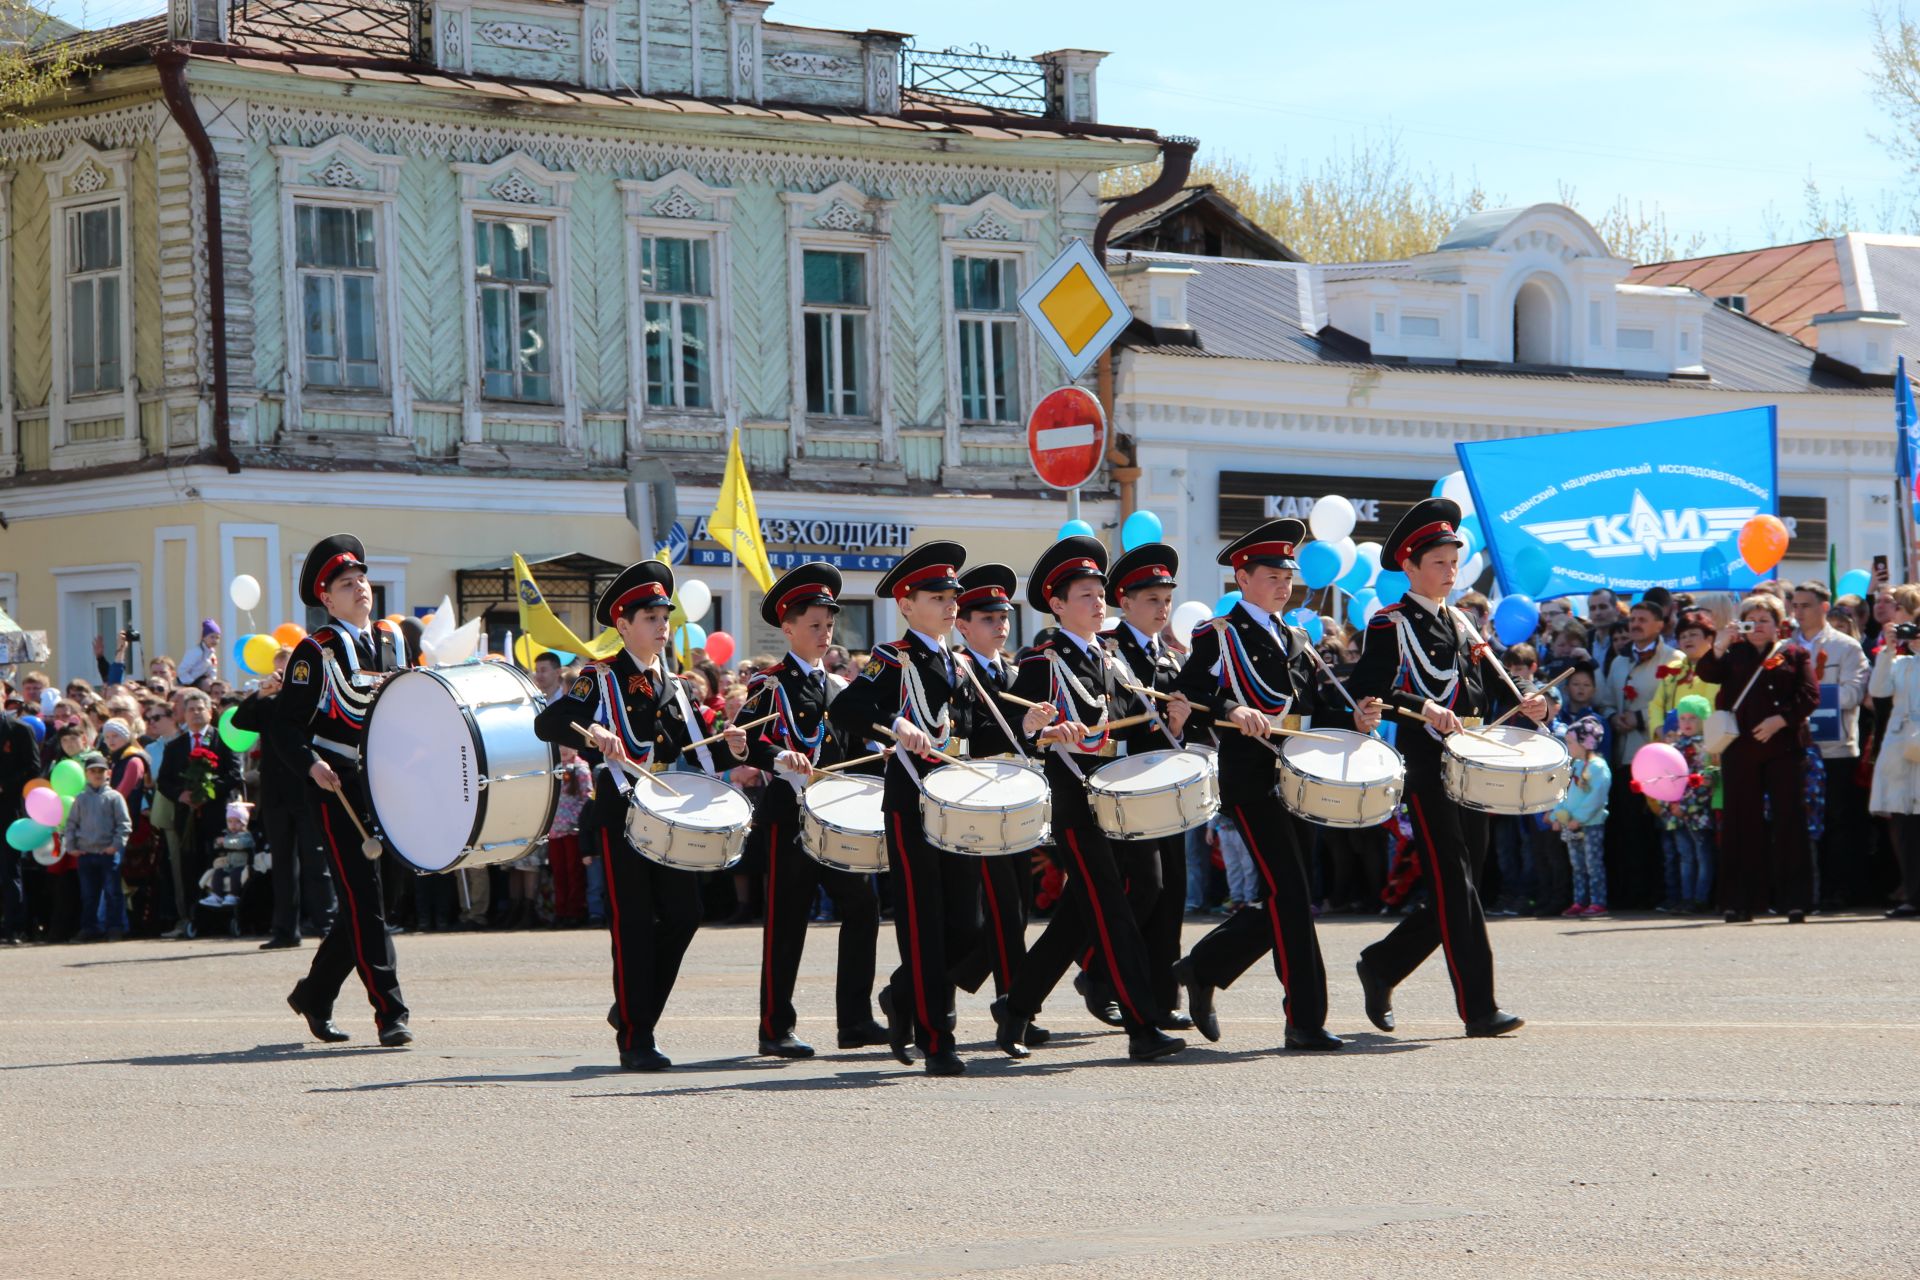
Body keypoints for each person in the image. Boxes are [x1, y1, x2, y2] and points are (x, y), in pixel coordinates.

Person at [830, 543, 1053, 1075]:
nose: (951, 604)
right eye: (937, 596)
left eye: (952, 595)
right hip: (912, 805)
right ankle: (938, 1039)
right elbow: (847, 707)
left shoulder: (956, 663)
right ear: (907, 605)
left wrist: (1025, 728)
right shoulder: (895, 657)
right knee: (924, 924)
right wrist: (892, 723)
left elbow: (977, 731)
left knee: (965, 926)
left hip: (958, 805)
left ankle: (902, 997)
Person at [1166, 519, 1380, 1051]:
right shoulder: (1219, 633)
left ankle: (1204, 967)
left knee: (1288, 894)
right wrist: (1232, 707)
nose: (1285, 585)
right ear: (1243, 577)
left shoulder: (1298, 637)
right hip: (1250, 778)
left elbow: (1314, 707)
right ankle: (1304, 1019)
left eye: (1288, 575)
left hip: (1297, 780)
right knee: (1291, 893)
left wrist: (1353, 716)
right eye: (1272, 575)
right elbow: (1188, 696)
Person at [533, 559, 749, 1071]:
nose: (661, 625)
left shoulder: (674, 684)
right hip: (619, 811)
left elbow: (700, 752)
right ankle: (636, 1037)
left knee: (685, 913)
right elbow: (550, 721)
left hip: (666, 810)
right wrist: (594, 735)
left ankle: (635, 1005)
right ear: (623, 625)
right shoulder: (600, 677)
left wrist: (735, 747)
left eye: (664, 616)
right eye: (650, 617)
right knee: (631, 923)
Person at [1349, 497, 1543, 1038]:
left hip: (1475, 766)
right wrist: (1420, 706)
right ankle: (1479, 1009)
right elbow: (1368, 685)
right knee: (1457, 888)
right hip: (1431, 767)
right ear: (1410, 568)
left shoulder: (1463, 621)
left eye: (1454, 560)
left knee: (1461, 890)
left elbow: (1495, 684)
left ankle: (1382, 964)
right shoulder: (1391, 624)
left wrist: (1531, 702)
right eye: (1439, 562)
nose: (1451, 570)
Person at [993, 536, 1187, 1064]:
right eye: (1085, 594)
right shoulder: (1043, 659)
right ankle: (1143, 1027)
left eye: (1101, 593)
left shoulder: (1109, 657)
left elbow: (1131, 719)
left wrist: (1171, 716)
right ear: (1057, 605)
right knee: (1111, 908)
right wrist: (1041, 728)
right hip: (1075, 801)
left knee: (1103, 904)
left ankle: (1017, 1004)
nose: (1098, 603)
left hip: (1115, 796)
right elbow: (1015, 725)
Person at [278, 534, 421, 1047]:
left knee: (385, 901)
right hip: (338, 787)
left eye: (362, 579)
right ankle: (391, 1013)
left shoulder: (396, 637)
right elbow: (284, 726)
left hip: (391, 783)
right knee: (365, 900)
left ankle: (314, 994)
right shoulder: (314, 651)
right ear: (327, 599)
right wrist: (310, 764)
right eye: (346, 583)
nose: (360, 587)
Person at [740, 561, 886, 1059]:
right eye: (815, 625)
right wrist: (776, 756)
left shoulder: (841, 688)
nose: (825, 634)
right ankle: (774, 1027)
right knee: (787, 921)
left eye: (829, 625)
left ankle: (856, 1020)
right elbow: (740, 745)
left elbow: (850, 748)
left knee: (863, 908)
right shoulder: (769, 685)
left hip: (838, 815)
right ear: (788, 628)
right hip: (789, 819)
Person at [943, 563, 1045, 1041]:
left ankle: (910, 990)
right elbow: (962, 736)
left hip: (1016, 798)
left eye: (1003, 616)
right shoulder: (957, 672)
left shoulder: (1017, 671)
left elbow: (1027, 741)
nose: (1001, 625)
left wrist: (1045, 731)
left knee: (1018, 908)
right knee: (1002, 909)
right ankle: (1015, 1008)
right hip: (975, 801)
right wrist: (1025, 729)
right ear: (962, 625)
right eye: (987, 618)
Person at [1098, 542, 1197, 1029]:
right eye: (1153, 599)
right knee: (1143, 889)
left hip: (1168, 789)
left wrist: (1179, 728)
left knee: (1172, 891)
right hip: (1127, 787)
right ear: (1126, 601)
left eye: (1167, 599)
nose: (1163, 608)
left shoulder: (1172, 658)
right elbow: (1109, 721)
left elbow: (1186, 730)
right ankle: (1102, 973)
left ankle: (1163, 995)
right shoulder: (1109, 652)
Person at [1695, 594, 1818, 924]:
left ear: (1778, 625)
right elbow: (1706, 673)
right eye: (1752, 620)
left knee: (1789, 821)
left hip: (1783, 749)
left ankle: (1795, 900)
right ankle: (1740, 901)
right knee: (1740, 823)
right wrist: (1720, 642)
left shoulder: (1793, 653)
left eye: (1765, 620)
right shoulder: (1734, 653)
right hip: (1741, 750)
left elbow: (1809, 695)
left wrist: (1782, 720)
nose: (1758, 627)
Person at [231, 651, 334, 950]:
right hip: (275, 794)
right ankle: (286, 930)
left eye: (285, 671)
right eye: (277, 671)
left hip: (305, 791)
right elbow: (240, 721)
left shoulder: (309, 700)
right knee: (283, 864)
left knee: (317, 862)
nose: (280, 677)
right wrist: (260, 694)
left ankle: (327, 925)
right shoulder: (268, 703)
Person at [1788, 581, 1870, 911]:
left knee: (1836, 823)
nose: (1798, 611)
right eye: (1795, 605)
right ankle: (1805, 890)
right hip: (1795, 746)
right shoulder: (1784, 647)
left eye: (1805, 605)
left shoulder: (1846, 647)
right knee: (1799, 823)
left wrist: (1812, 700)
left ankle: (1838, 891)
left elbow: (1854, 693)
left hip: (1834, 747)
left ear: (1824, 608)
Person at [1599, 589, 1678, 909]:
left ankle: (1659, 893)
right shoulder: (1619, 661)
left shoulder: (1674, 660)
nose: (1635, 625)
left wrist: (1641, 717)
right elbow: (1604, 700)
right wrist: (1613, 718)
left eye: (1643, 620)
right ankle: (1631, 895)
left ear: (1660, 625)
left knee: (1656, 831)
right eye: (1632, 620)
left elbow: (1676, 707)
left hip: (1658, 758)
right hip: (1624, 756)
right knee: (1628, 830)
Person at [1870, 609, 1920, 917]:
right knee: (1905, 824)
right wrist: (1888, 651)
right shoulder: (1900, 664)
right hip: (1903, 748)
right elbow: (1878, 691)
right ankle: (1913, 895)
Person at [66, 751, 132, 942]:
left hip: (108, 853)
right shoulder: (80, 799)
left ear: (108, 774)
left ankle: (114, 927)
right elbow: (71, 824)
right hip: (86, 854)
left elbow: (124, 824)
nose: (97, 774)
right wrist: (72, 847)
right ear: (86, 774)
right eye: (93, 771)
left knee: (113, 893)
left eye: (101, 771)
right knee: (89, 895)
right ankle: (90, 928)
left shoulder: (115, 797)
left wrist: (116, 845)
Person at [1661, 696, 1717, 913]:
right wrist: (1671, 805)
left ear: (1704, 720)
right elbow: (1664, 778)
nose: (1687, 722)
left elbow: (1706, 781)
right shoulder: (1673, 747)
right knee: (1685, 856)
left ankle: (1701, 898)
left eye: (1693, 718)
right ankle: (1686, 898)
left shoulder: (1707, 748)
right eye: (1683, 717)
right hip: (1677, 813)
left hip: (1698, 813)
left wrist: (1687, 805)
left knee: (1703, 855)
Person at [1551, 718, 1610, 917]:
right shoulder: (1574, 766)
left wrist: (1579, 818)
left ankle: (1598, 902)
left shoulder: (1598, 767)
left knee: (1593, 865)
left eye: (1571, 743)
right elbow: (1564, 792)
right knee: (1577, 866)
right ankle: (1579, 901)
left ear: (1586, 743)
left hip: (1590, 825)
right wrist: (1556, 815)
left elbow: (1596, 798)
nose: (1568, 747)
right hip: (1571, 824)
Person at [0, 698, 41, 944]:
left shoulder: (19, 729)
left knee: (9, 870)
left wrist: (5, 786)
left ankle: (15, 927)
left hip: (9, 809)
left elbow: (33, 768)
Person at [175, 620, 222, 688]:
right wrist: (191, 682)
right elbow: (182, 670)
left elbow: (213, 671)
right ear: (204, 637)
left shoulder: (212, 655)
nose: (215, 640)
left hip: (199, 684)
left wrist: (212, 683)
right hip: (185, 684)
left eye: (217, 638)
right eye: (212, 637)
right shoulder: (195, 652)